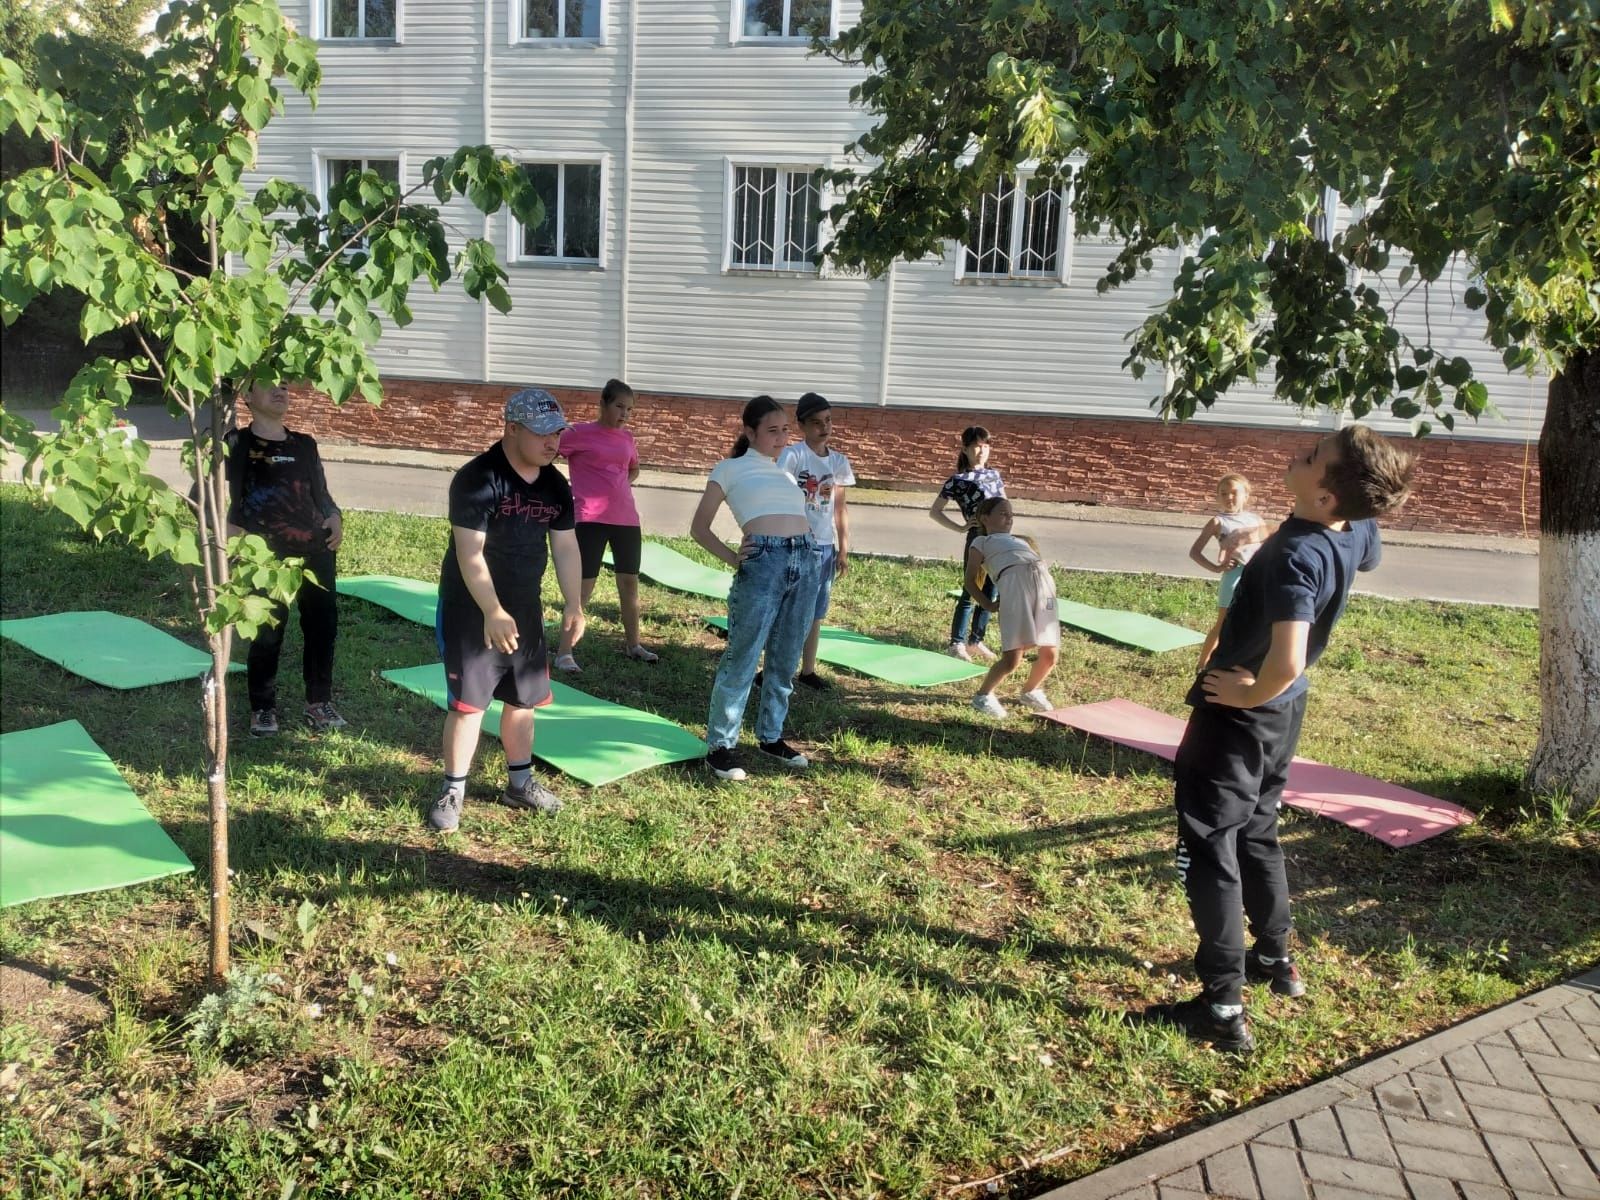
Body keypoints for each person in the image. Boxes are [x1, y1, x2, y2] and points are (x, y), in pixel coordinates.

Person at [1141, 425, 1415, 1053]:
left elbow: (1287, 657)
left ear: (1326, 496)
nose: (1301, 453)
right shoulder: (1351, 527)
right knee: (1258, 828)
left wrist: (1245, 693)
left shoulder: (1296, 555)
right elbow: (1367, 546)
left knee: (1212, 844)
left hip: (1244, 712)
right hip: (1283, 714)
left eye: (1315, 457)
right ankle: (1274, 958)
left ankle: (1222, 1004)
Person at [428, 388, 585, 833]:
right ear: (511, 429)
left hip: (524, 607)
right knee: (469, 706)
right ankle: (453, 788)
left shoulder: (556, 484)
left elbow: (567, 545)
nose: (552, 442)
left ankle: (520, 783)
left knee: (523, 698)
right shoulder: (477, 478)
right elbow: (469, 552)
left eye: (557, 433)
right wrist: (492, 610)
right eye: (541, 433)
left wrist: (574, 604)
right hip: (471, 608)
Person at [691, 396, 819, 782]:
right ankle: (721, 746)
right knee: (743, 654)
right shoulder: (729, 468)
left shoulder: (784, 471)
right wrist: (735, 559)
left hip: (806, 559)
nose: (782, 438)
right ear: (749, 432)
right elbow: (699, 528)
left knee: (785, 656)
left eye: (785, 430)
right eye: (772, 431)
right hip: (764, 561)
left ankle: (771, 735)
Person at [225, 379, 346, 737]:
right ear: (247, 397)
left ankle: (319, 702)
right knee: (267, 632)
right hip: (266, 558)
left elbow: (321, 494)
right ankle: (263, 708)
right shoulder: (236, 443)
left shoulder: (305, 445)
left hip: (315, 550)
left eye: (285, 387)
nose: (281, 392)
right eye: (268, 386)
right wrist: (232, 537)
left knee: (322, 628)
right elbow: (217, 494)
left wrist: (335, 515)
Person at [552, 378, 656, 672]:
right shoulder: (578, 432)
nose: (625, 414)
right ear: (603, 404)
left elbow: (633, 468)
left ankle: (633, 645)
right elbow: (548, 451)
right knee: (582, 589)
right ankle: (564, 652)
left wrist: (620, 485)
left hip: (626, 519)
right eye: (619, 407)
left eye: (630, 409)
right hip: (589, 519)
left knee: (629, 583)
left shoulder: (627, 438)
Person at [775, 392, 855, 690]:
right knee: (789, 608)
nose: (824, 427)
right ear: (802, 426)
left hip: (824, 547)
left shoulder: (838, 462)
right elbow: (781, 496)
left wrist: (843, 548)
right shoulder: (793, 456)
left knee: (816, 612)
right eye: (816, 422)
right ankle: (775, 666)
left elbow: (839, 508)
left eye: (828, 421)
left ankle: (807, 670)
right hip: (795, 543)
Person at [964, 497, 1060, 718]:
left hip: (1043, 586)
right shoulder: (981, 543)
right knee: (1012, 658)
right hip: (1015, 587)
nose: (1009, 518)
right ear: (985, 518)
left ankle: (1030, 691)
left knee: (1050, 653)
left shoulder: (1021, 541)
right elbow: (970, 581)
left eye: (1011, 514)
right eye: (1003, 513)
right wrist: (987, 604)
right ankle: (983, 696)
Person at [930, 426, 1004, 662]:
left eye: (985, 446)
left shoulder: (995, 475)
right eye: (976, 446)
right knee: (971, 589)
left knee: (991, 590)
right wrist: (961, 527)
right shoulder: (958, 481)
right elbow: (935, 511)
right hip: (977, 539)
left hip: (999, 539)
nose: (981, 451)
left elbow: (1004, 506)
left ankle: (976, 640)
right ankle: (957, 642)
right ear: (965, 449)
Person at [1189, 473, 1265, 669]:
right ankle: (1202, 665)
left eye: (1234, 493)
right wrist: (1216, 568)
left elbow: (1268, 546)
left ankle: (1242, 663)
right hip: (1234, 575)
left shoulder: (1256, 520)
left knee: (1254, 622)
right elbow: (1195, 552)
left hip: (1257, 576)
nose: (1229, 497)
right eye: (1223, 493)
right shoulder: (1218, 522)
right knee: (1223, 622)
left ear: (1246, 495)